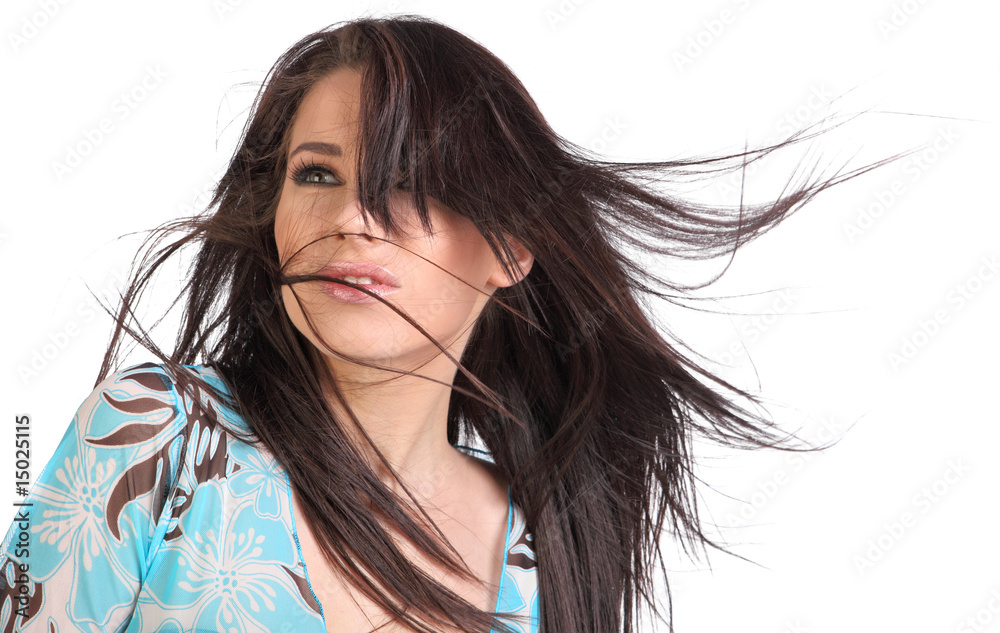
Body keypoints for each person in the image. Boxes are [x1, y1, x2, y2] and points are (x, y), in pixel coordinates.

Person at [0, 14, 900, 633]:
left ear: (511, 248)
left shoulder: (537, 550)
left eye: (412, 183)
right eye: (317, 174)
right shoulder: (158, 435)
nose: (351, 217)